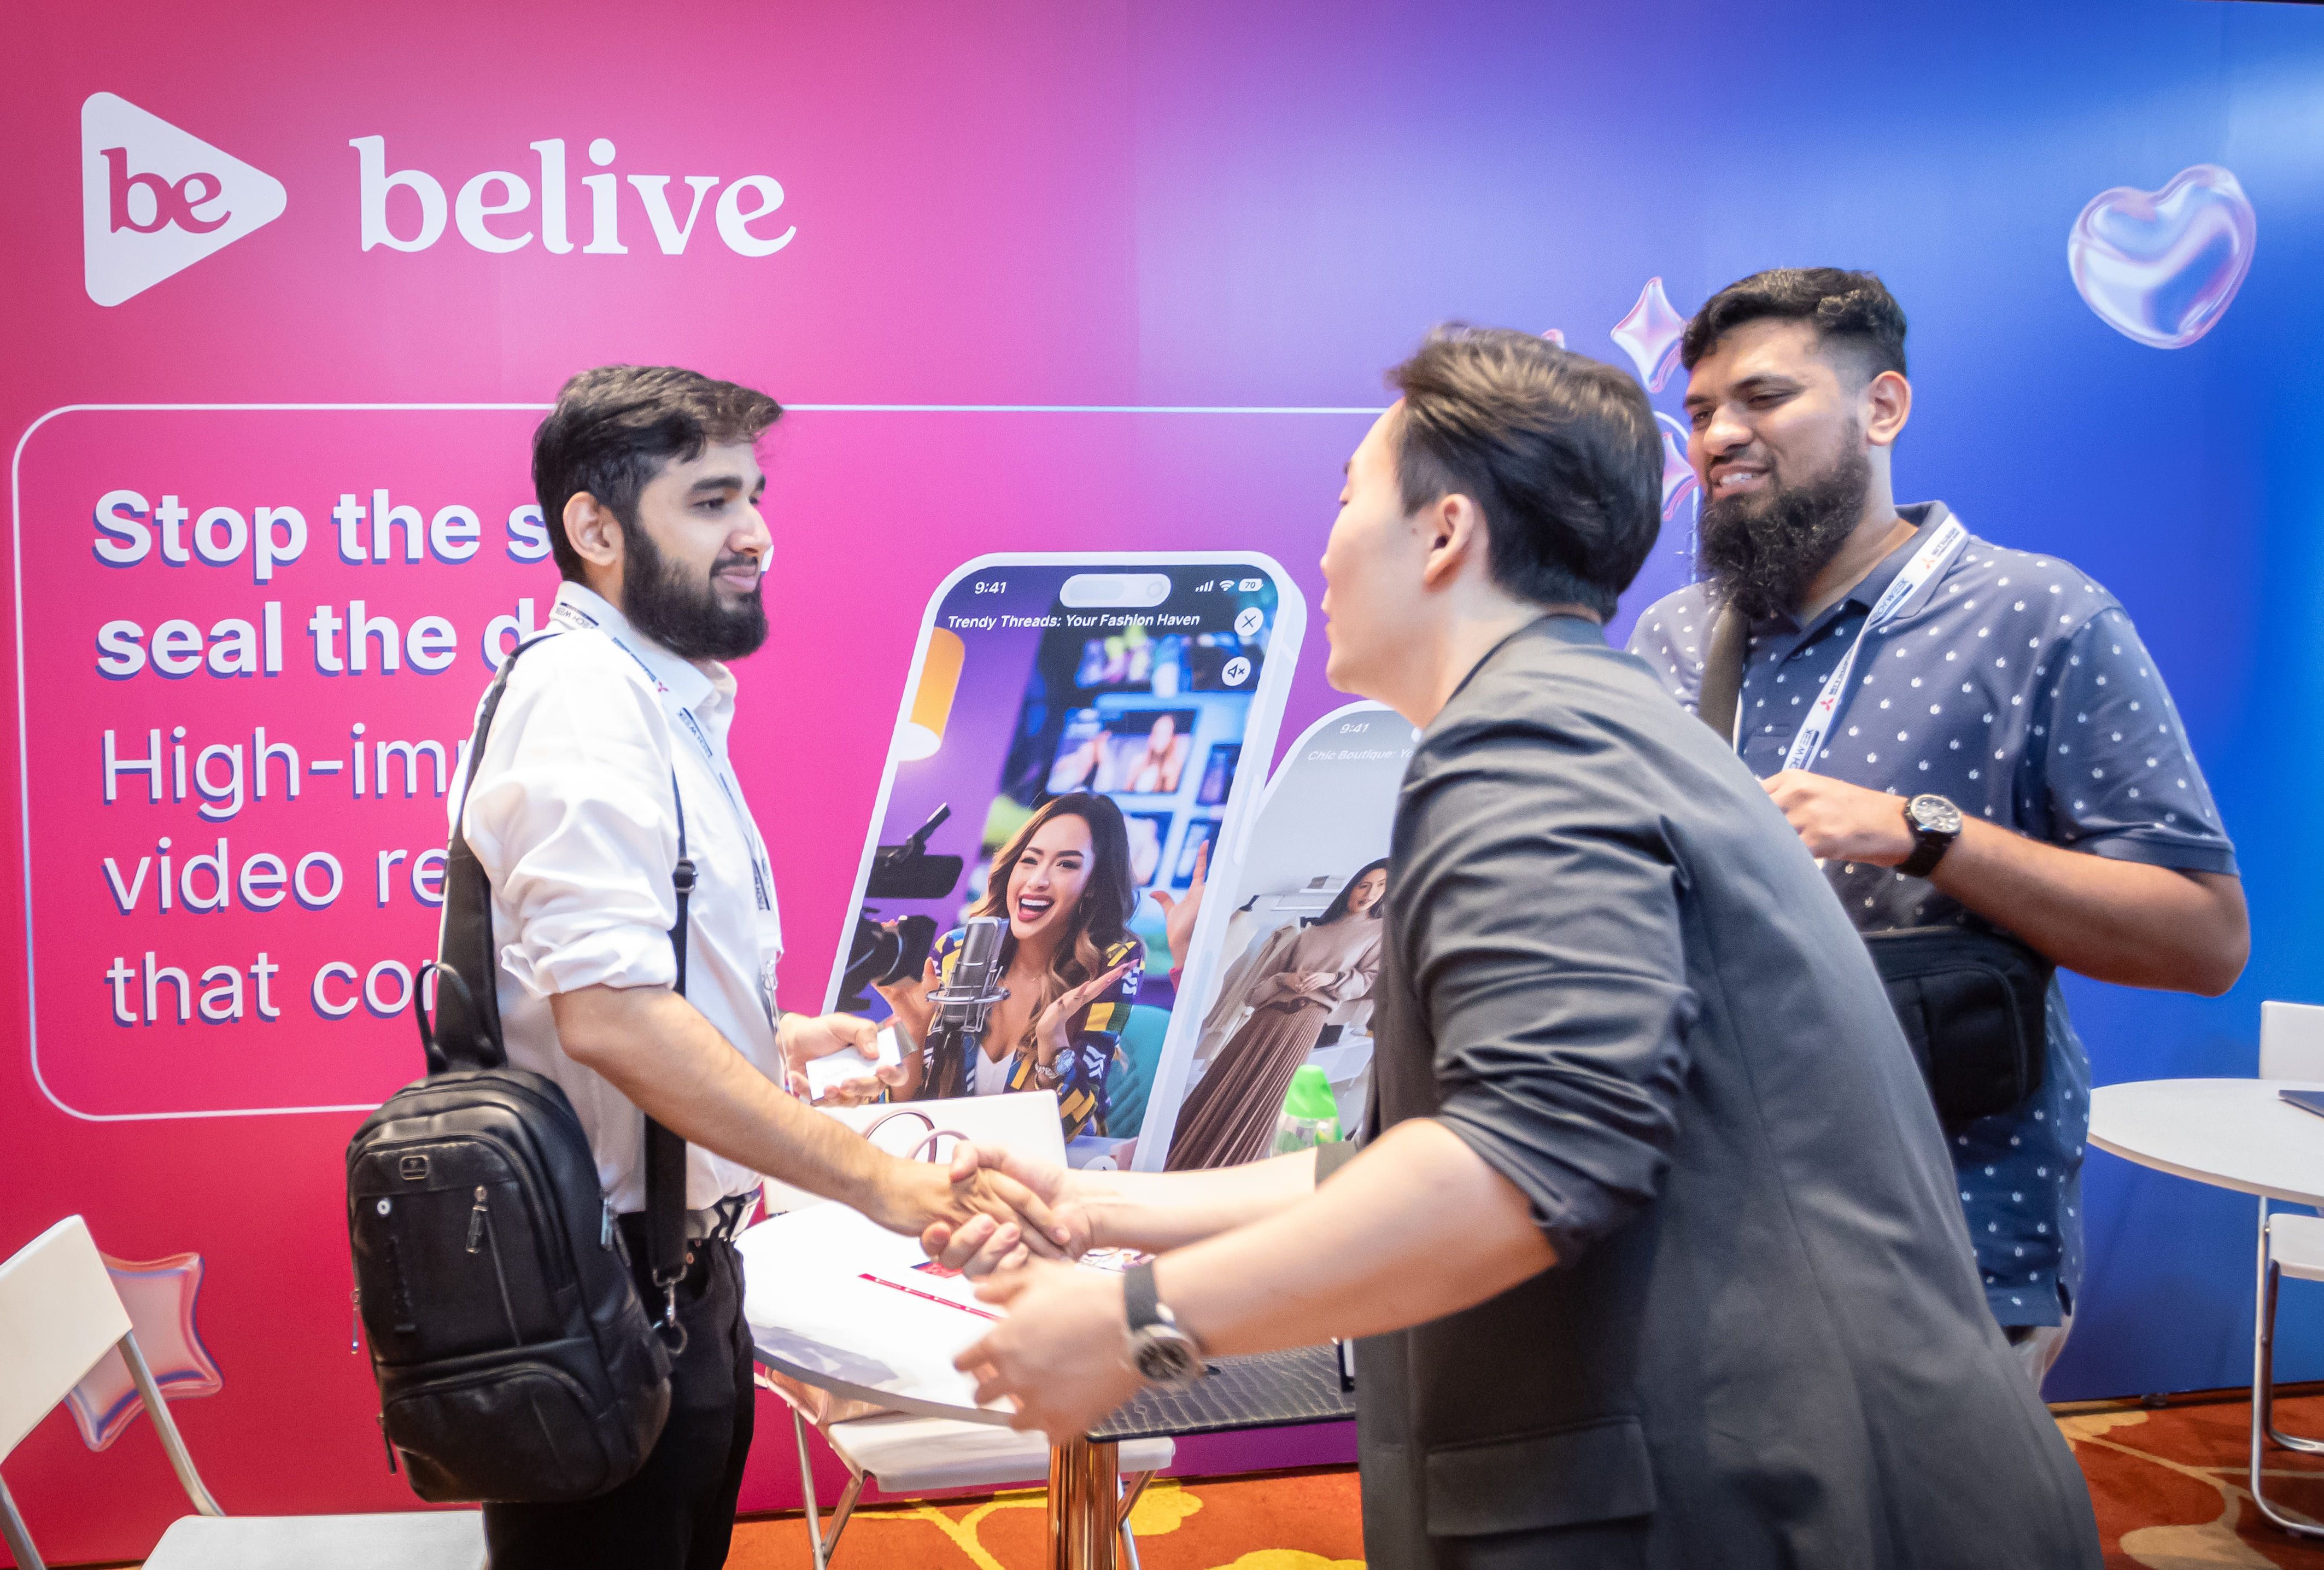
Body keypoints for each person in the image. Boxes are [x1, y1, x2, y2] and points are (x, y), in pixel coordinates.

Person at [926, 326, 2101, 1568]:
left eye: (1345, 502)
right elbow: (1437, 1149)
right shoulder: (1585, 715)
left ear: (1442, 534)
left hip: (1786, 1506)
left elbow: (1522, 1162)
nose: (1323, 549)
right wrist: (1096, 1206)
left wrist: (1137, 1322)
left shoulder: (1525, 750)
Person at [461, 364, 1057, 1570]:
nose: (755, 535)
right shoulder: (583, 699)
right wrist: (875, 1179)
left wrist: (762, 1037)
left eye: (752, 497)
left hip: (671, 1277)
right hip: (606, 1291)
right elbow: (611, 1019)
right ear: (595, 529)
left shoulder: (651, 697)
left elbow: (615, 987)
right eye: (711, 501)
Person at [1624, 269, 2246, 1386]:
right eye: (1702, 410)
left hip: (1948, 1249)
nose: (1718, 436)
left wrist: (1920, 832)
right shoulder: (1673, 638)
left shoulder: (2040, 618)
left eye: (1763, 398)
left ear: (1882, 407)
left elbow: (2202, 939)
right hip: (1706, 1236)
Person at [876, 793, 1144, 1141]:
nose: (1037, 880)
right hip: (948, 1158)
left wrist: (1052, 1044)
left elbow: (1064, 1128)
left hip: (1048, 1166)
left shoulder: (1108, 966)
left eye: (1066, 865)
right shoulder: (957, 951)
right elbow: (900, 1111)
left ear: (1094, 885)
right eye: (1030, 860)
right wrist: (914, 1026)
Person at [1166, 859, 1385, 1168]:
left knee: (1264, 1096)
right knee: (1225, 1082)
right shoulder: (1311, 932)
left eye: (1380, 887)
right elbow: (1256, 990)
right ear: (1352, 887)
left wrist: (1331, 979)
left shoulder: (1379, 932)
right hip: (1265, 1017)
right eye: (1364, 885)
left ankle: (1225, 1169)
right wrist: (1286, 979)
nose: (1370, 893)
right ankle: (1179, 1156)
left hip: (1305, 1021)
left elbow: (1371, 982)